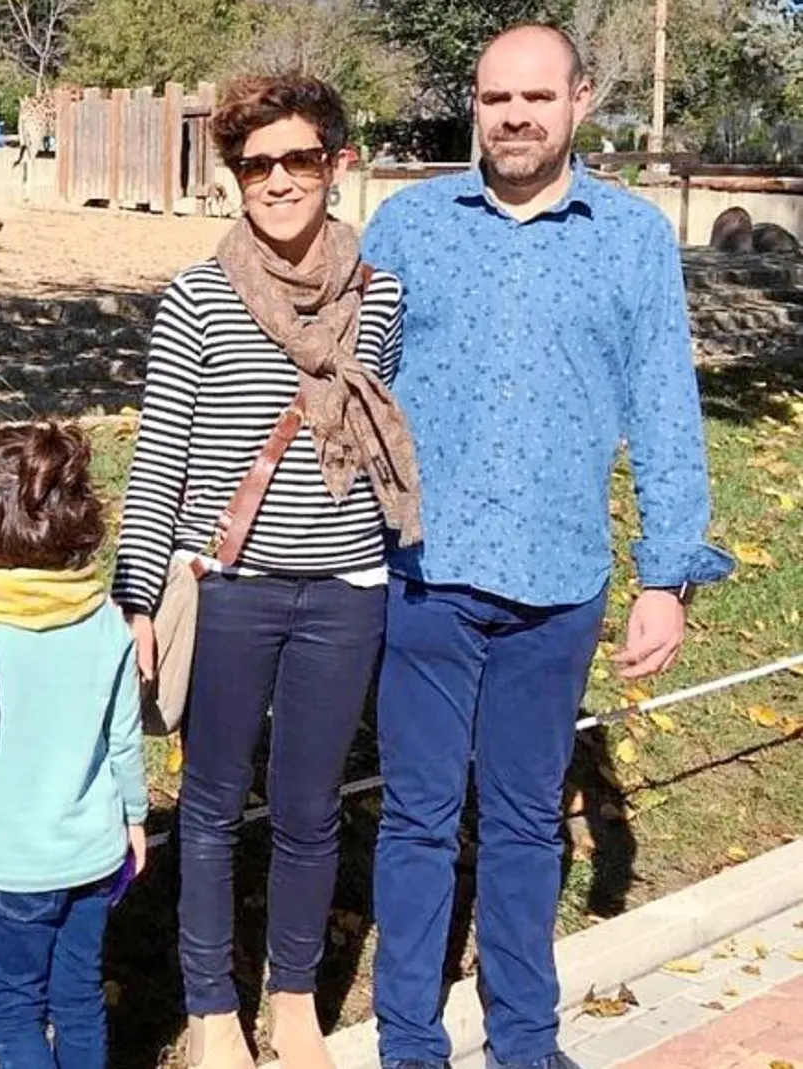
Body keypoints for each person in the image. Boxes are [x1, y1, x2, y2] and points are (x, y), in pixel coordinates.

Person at [359, 25, 734, 1069]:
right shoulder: (408, 226)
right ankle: (408, 1045)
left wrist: (668, 571)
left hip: (557, 585)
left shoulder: (628, 239)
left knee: (524, 825)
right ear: (471, 106)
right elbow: (349, 393)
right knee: (419, 823)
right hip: (425, 576)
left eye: (534, 96)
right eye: (493, 98)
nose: (512, 115)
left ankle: (524, 1042)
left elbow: (664, 407)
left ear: (580, 101)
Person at [112, 74, 419, 1069]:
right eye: (254, 164)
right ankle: (209, 1010)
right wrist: (136, 594)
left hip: (345, 593)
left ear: (336, 165)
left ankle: (292, 1001)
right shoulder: (199, 297)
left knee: (307, 809)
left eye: (297, 159)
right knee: (206, 808)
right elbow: (159, 453)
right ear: (233, 179)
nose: (276, 180)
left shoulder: (379, 296)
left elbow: (379, 430)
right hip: (230, 587)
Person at [0, 422, 148, 1069]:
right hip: (95, 856)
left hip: (15, 868)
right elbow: (124, 737)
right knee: (78, 1000)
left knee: (13, 1010)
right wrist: (135, 818)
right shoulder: (104, 621)